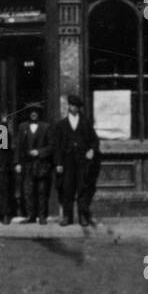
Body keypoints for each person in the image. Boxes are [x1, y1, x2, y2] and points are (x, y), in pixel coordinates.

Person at [52, 93, 99, 227]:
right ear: (68, 107)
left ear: (79, 108)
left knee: (82, 188)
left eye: (76, 106)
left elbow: (94, 141)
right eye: (71, 105)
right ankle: (67, 216)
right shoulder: (61, 125)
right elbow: (57, 146)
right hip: (67, 162)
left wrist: (91, 150)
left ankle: (83, 216)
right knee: (67, 189)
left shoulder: (85, 123)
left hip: (82, 162)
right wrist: (58, 163)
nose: (73, 108)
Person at [14, 106, 53, 224]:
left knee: (42, 190)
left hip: (41, 164)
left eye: (36, 112)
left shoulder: (46, 127)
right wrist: (17, 163)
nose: (34, 114)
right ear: (28, 114)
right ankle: (30, 216)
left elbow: (51, 146)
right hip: (27, 164)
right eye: (31, 112)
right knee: (28, 191)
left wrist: (39, 152)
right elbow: (18, 147)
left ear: (39, 114)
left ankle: (42, 216)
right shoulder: (22, 127)